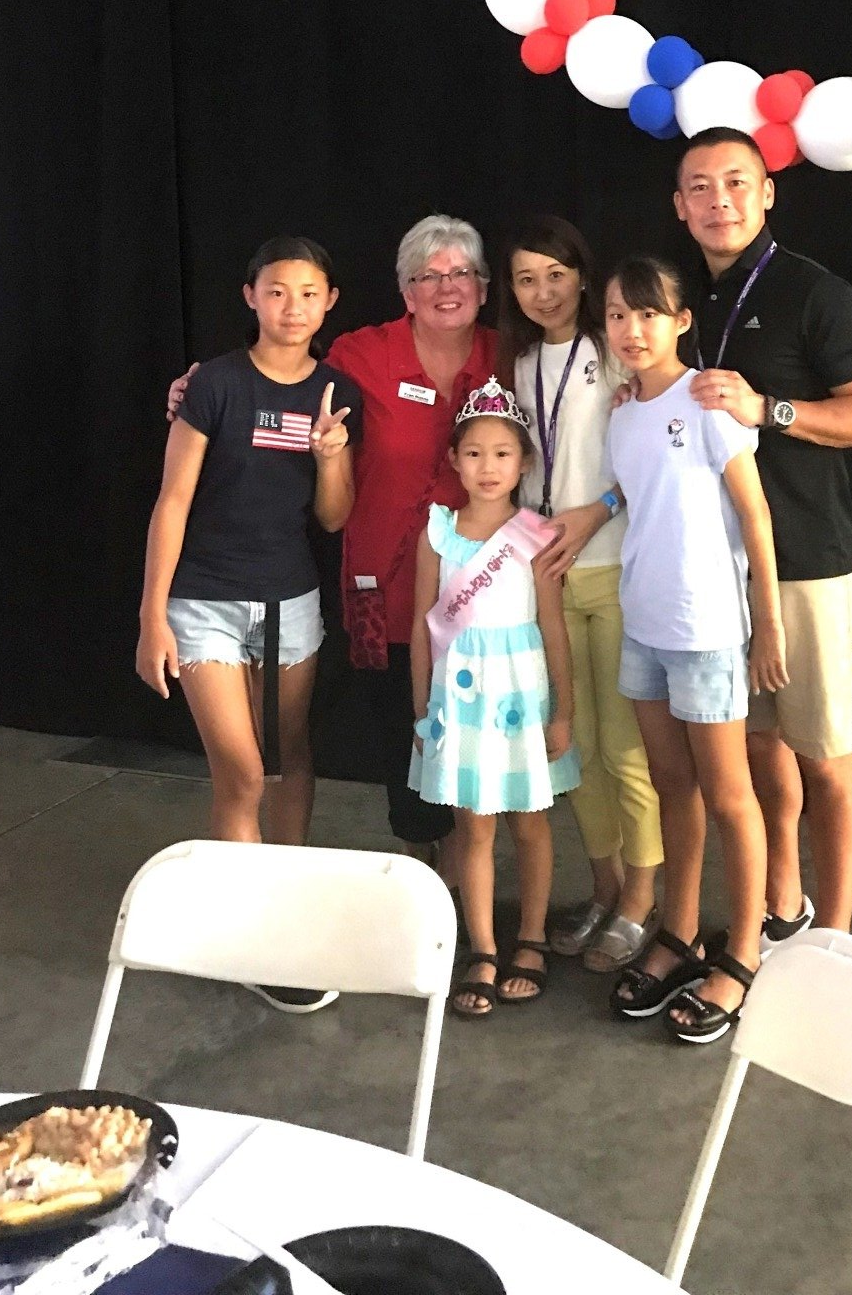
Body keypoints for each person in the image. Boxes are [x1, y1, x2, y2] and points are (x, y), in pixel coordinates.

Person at [171, 215, 496, 864]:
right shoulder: (359, 356)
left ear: (484, 287)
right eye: (427, 276)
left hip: (481, 587)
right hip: (381, 585)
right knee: (398, 735)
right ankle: (420, 878)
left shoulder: (508, 353)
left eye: (460, 273)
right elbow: (279, 370)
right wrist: (198, 386)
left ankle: (472, 899)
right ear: (404, 290)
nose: (445, 287)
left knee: (475, 742)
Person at [674, 127, 852, 943]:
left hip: (805, 565)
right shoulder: (686, 302)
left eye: (736, 182)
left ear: (768, 192)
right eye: (700, 187)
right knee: (761, 742)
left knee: (825, 752)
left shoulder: (814, 291)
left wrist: (769, 410)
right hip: (714, 567)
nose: (719, 200)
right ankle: (784, 903)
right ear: (680, 205)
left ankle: (835, 939)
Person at [138, 236, 362, 1013]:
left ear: (329, 300)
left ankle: (283, 905)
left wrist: (333, 454)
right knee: (239, 771)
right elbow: (172, 500)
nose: (291, 306)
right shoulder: (215, 385)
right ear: (251, 297)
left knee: (290, 755)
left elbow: (334, 517)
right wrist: (150, 618)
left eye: (308, 292)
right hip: (203, 603)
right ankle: (260, 931)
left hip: (290, 603)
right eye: (276, 291)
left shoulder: (337, 392)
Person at [605, 256, 780, 1046]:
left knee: (729, 794)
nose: (631, 330)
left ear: (681, 321)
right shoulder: (622, 414)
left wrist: (765, 624)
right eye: (616, 316)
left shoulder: (709, 400)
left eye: (648, 314)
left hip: (707, 629)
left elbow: (754, 514)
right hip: (643, 623)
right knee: (672, 785)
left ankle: (741, 952)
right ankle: (678, 930)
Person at [498, 217, 663, 973]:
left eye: (555, 275)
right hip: (546, 576)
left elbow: (655, 449)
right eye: (527, 278)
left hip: (616, 567)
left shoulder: (615, 353)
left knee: (625, 748)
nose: (543, 292)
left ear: (582, 277)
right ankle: (603, 887)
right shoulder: (519, 361)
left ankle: (641, 899)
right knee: (574, 748)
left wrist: (602, 507)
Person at [409, 379, 579, 1018]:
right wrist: (421, 709)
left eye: (502, 453)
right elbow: (423, 624)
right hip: (459, 701)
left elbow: (554, 626)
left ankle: (530, 938)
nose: (488, 467)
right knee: (471, 829)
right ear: (454, 460)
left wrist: (562, 711)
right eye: (474, 453)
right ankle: (481, 947)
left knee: (531, 824)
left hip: (520, 696)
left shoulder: (534, 536)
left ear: (524, 462)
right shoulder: (438, 530)